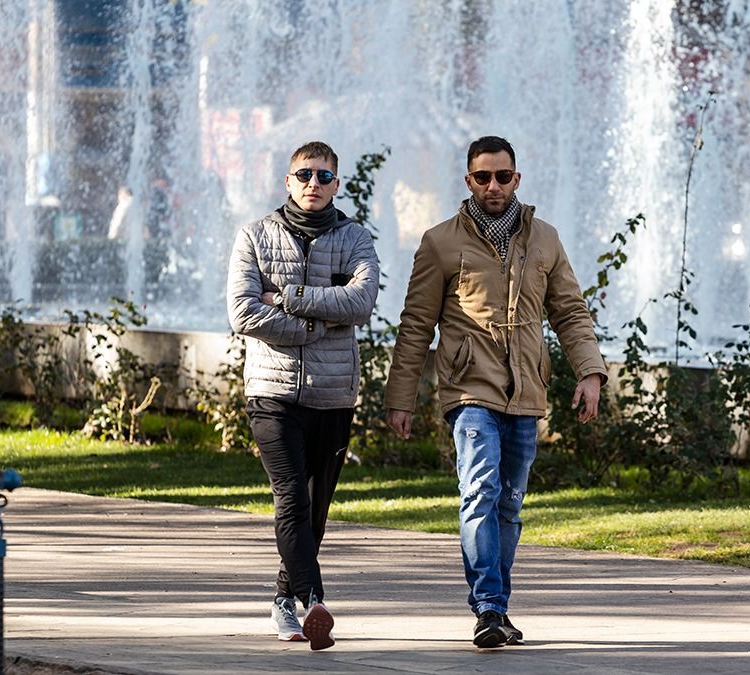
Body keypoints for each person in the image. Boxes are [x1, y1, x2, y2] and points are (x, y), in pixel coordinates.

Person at [384, 136, 606, 648]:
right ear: (468, 181)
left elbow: (570, 312)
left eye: (502, 176)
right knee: (479, 492)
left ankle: (498, 607)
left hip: (526, 389)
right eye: (482, 177)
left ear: (517, 179)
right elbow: (416, 325)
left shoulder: (545, 238)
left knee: (510, 503)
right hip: (468, 389)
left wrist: (589, 373)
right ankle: (487, 607)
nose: (493, 186)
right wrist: (402, 397)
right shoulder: (440, 242)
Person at [226, 141, 379, 651]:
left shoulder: (355, 237)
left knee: (316, 508)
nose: (314, 183)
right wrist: (320, 323)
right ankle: (314, 602)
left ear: (337, 184)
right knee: (291, 497)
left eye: (325, 176)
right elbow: (244, 313)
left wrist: (291, 301)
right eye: (304, 174)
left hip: (334, 394)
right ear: (287, 181)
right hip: (271, 392)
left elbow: (361, 302)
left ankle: (282, 602)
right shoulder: (254, 235)